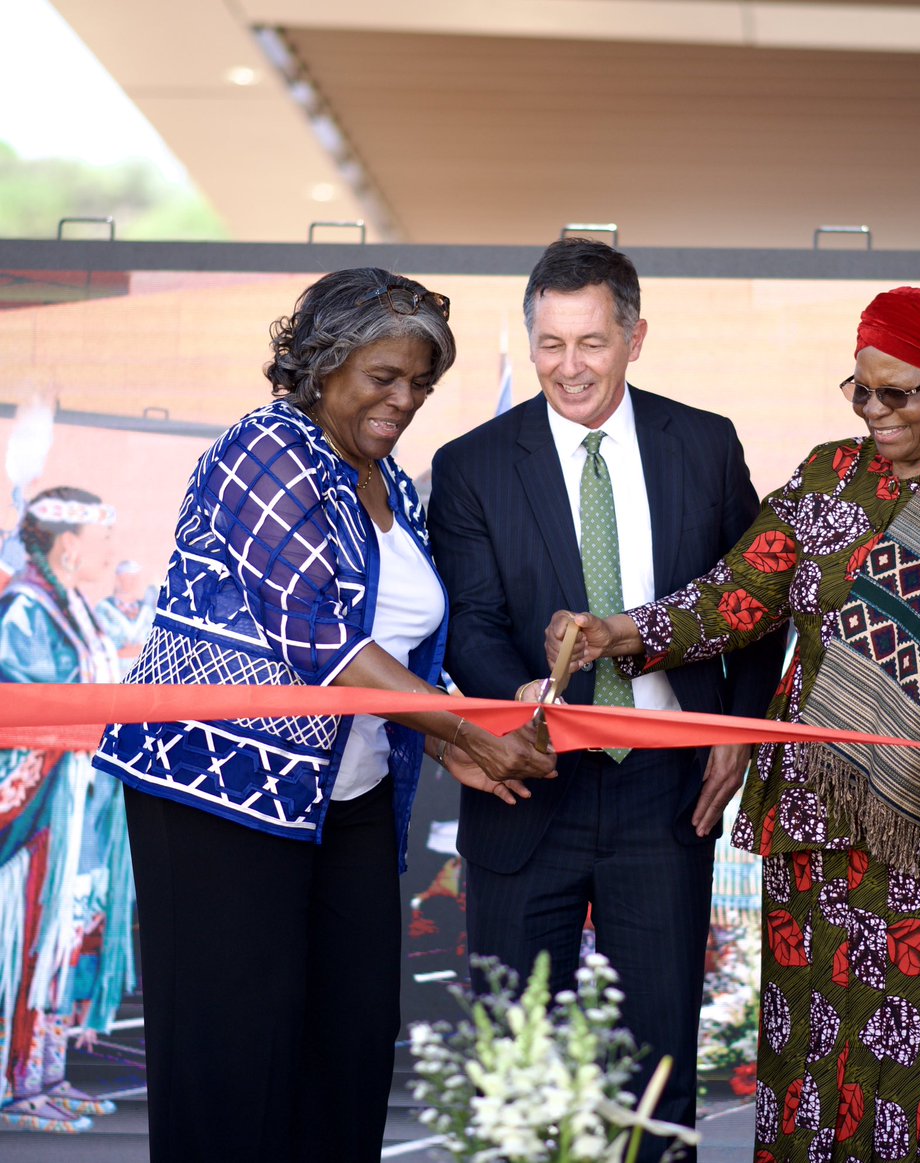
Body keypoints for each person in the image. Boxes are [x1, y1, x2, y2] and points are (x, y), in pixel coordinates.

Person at [548, 286, 920, 1162]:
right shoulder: (827, 478)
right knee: (820, 1047)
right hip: (827, 816)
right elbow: (737, 597)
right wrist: (617, 631)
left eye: (899, 393)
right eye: (861, 390)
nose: (875, 412)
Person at [92, 268, 557, 1163]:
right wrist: (463, 732)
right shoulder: (266, 448)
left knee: (347, 1050)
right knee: (233, 1062)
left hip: (344, 797)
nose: (405, 399)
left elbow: (407, 653)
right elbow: (321, 641)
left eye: (420, 382)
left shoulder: (394, 487)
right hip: (216, 793)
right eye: (384, 376)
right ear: (321, 361)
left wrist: (456, 735)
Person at [427, 238, 785, 1156]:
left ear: (635, 337)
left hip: (662, 792)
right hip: (526, 780)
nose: (568, 366)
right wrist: (518, 698)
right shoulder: (469, 464)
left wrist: (739, 732)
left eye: (590, 342)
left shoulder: (703, 444)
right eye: (549, 343)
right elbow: (466, 620)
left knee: (655, 1066)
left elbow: (756, 605)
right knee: (518, 1064)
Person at [0, 487, 132, 1134]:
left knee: (63, 941)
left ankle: (47, 1075)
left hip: (83, 809)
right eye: (104, 540)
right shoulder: (26, 608)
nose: (113, 552)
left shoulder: (80, 607)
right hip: (41, 815)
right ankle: (13, 1082)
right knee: (31, 942)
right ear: (69, 545)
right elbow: (25, 713)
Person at [93, 559, 156, 677]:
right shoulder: (103, 609)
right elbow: (103, 651)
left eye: (135, 577)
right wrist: (138, 650)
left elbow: (155, 648)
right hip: (115, 678)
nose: (133, 581)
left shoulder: (146, 612)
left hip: (144, 677)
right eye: (128, 577)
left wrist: (132, 651)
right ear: (118, 578)